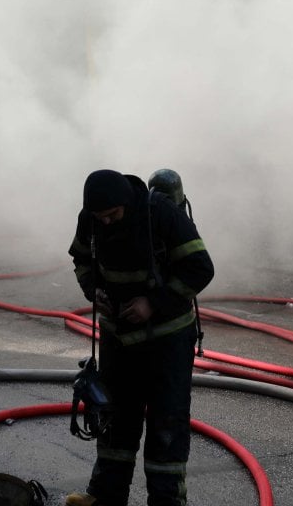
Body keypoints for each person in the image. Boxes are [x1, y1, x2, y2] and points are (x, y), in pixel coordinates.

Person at [65, 169, 214, 506]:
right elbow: (81, 258)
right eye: (99, 217)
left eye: (112, 216)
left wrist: (153, 303)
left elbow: (201, 268)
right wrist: (94, 290)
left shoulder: (160, 215)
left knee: (166, 425)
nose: (105, 223)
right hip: (118, 341)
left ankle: (166, 502)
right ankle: (104, 496)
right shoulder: (90, 219)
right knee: (114, 419)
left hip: (167, 342)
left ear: (126, 204)